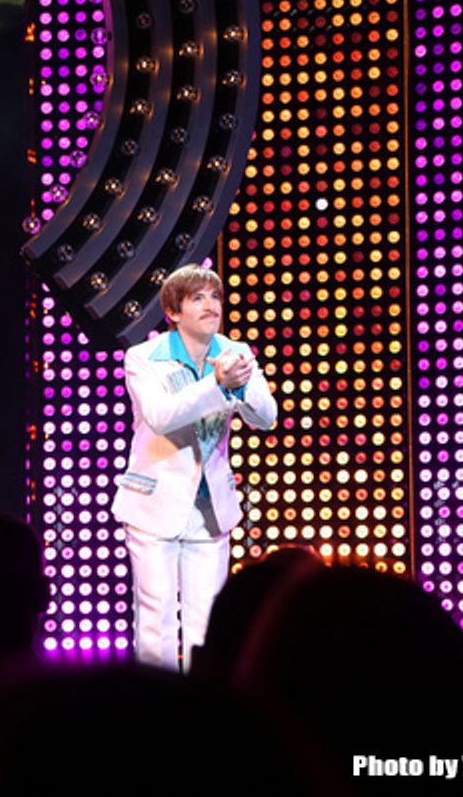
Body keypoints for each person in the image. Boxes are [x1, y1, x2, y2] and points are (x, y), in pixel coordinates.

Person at [112, 263, 277, 671]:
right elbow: (162, 416)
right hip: (154, 505)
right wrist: (217, 386)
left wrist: (240, 386)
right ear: (173, 311)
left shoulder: (235, 353)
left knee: (206, 626)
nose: (210, 306)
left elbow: (266, 416)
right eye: (198, 298)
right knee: (156, 623)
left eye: (215, 297)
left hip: (209, 510)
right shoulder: (144, 358)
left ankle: (204, 718)